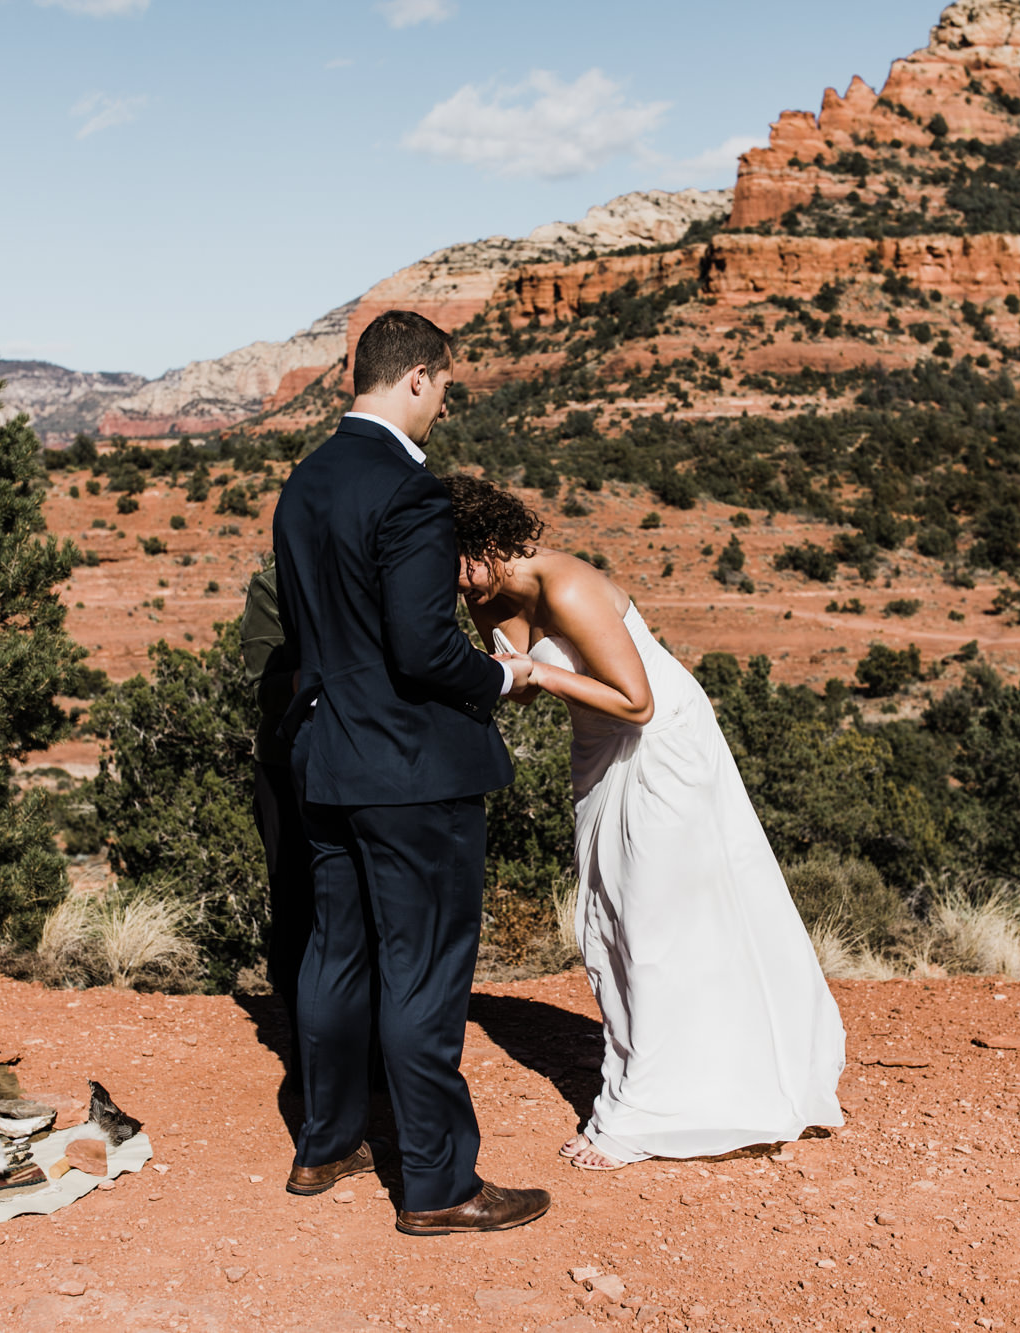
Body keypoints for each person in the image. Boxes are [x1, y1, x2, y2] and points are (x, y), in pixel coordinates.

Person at [447, 474, 846, 1171]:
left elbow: (639, 702)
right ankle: (672, 1077)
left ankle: (638, 1113)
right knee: (609, 921)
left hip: (660, 745)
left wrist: (538, 677)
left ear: (485, 540)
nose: (455, 581)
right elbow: (511, 679)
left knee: (653, 921)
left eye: (456, 561)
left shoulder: (566, 586)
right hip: (598, 753)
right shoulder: (485, 595)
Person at [270, 310, 551, 1235]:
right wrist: (503, 679)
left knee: (333, 954)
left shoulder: (304, 483)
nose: (442, 408)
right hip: (411, 772)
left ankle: (325, 1142)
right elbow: (427, 649)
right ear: (420, 378)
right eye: (444, 389)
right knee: (424, 972)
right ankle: (438, 1184)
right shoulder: (413, 491)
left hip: (324, 758)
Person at [239, 559, 314, 1091]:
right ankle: (308, 1047)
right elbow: (266, 688)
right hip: (287, 765)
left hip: (372, 763)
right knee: (295, 900)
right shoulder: (273, 585)